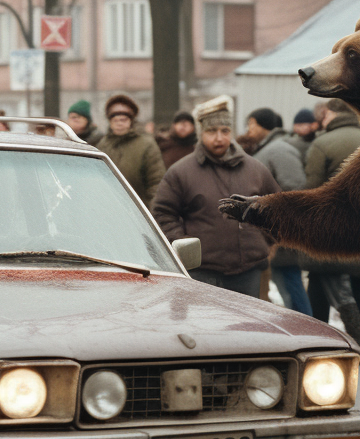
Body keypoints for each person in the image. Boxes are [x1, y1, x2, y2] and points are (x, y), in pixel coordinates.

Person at [152, 95, 279, 297]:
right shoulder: (180, 172)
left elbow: (276, 208)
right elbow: (162, 214)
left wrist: (262, 241)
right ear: (202, 133)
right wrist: (186, 246)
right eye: (212, 131)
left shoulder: (256, 169)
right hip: (202, 273)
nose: (219, 138)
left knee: (246, 327)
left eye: (225, 131)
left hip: (248, 272)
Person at [304, 98, 360, 365]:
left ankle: (355, 344)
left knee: (336, 288)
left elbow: (312, 191)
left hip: (332, 228)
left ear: (329, 113)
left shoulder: (322, 144)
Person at [245, 108, 313, 315]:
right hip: (272, 231)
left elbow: (296, 186)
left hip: (282, 232)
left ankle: (305, 330)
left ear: (262, 125)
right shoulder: (268, 148)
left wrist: (281, 222)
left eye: (252, 125)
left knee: (291, 283)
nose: (248, 130)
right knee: (286, 285)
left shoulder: (279, 150)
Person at [97, 92, 165, 206]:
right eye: (115, 120)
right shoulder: (103, 145)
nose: (119, 124)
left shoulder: (146, 144)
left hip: (139, 210)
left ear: (131, 121)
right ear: (110, 122)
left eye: (123, 120)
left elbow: (156, 182)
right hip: (108, 206)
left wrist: (152, 211)